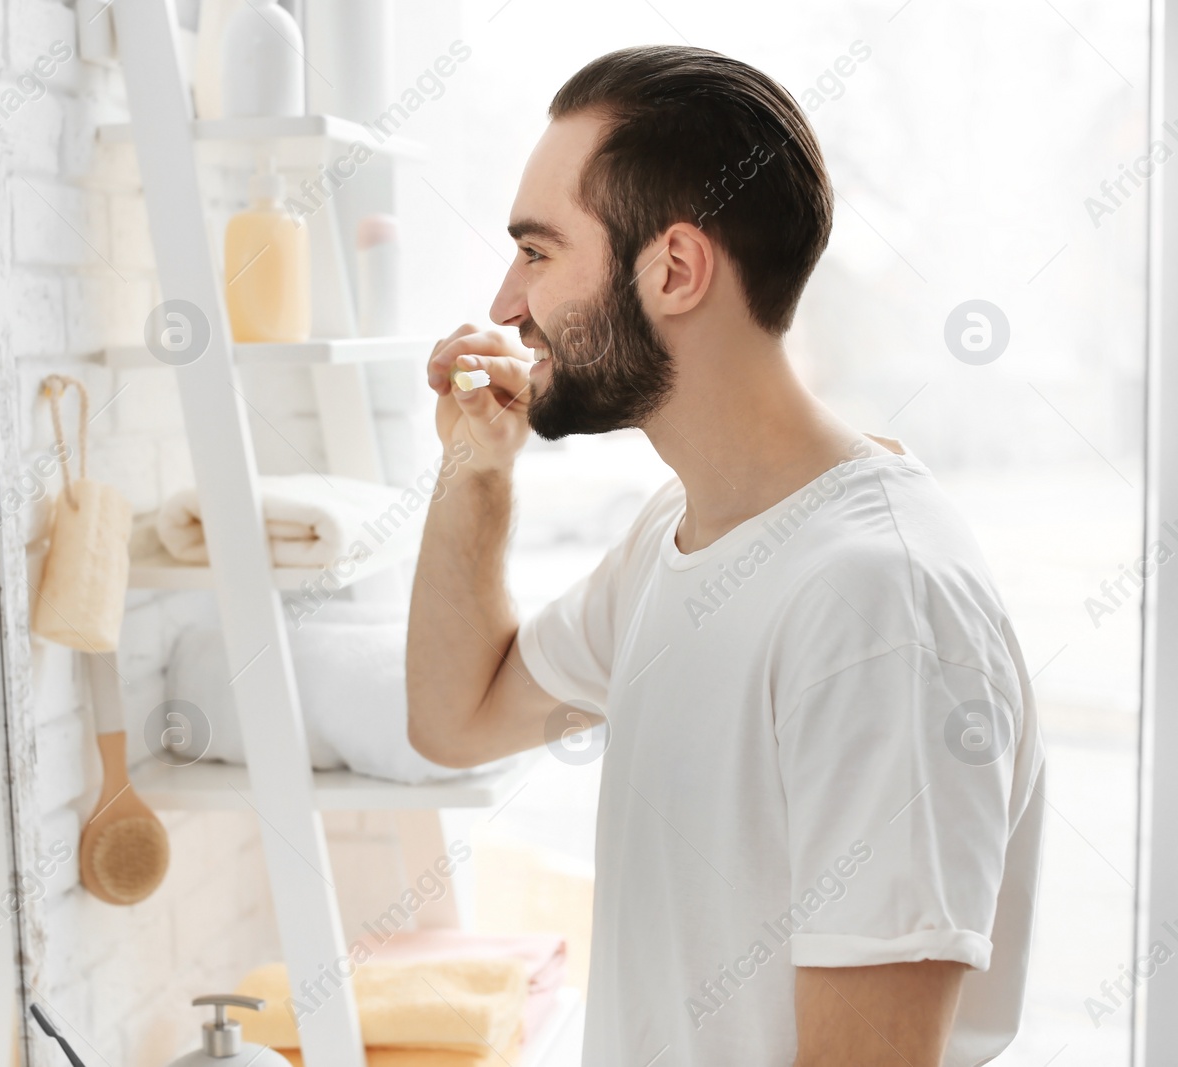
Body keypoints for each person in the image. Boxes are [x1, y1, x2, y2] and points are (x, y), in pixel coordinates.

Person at [405, 45, 1044, 1067]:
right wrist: (475, 470)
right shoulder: (680, 531)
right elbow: (455, 716)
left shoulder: (879, 604)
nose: (506, 302)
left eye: (536, 250)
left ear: (672, 270)